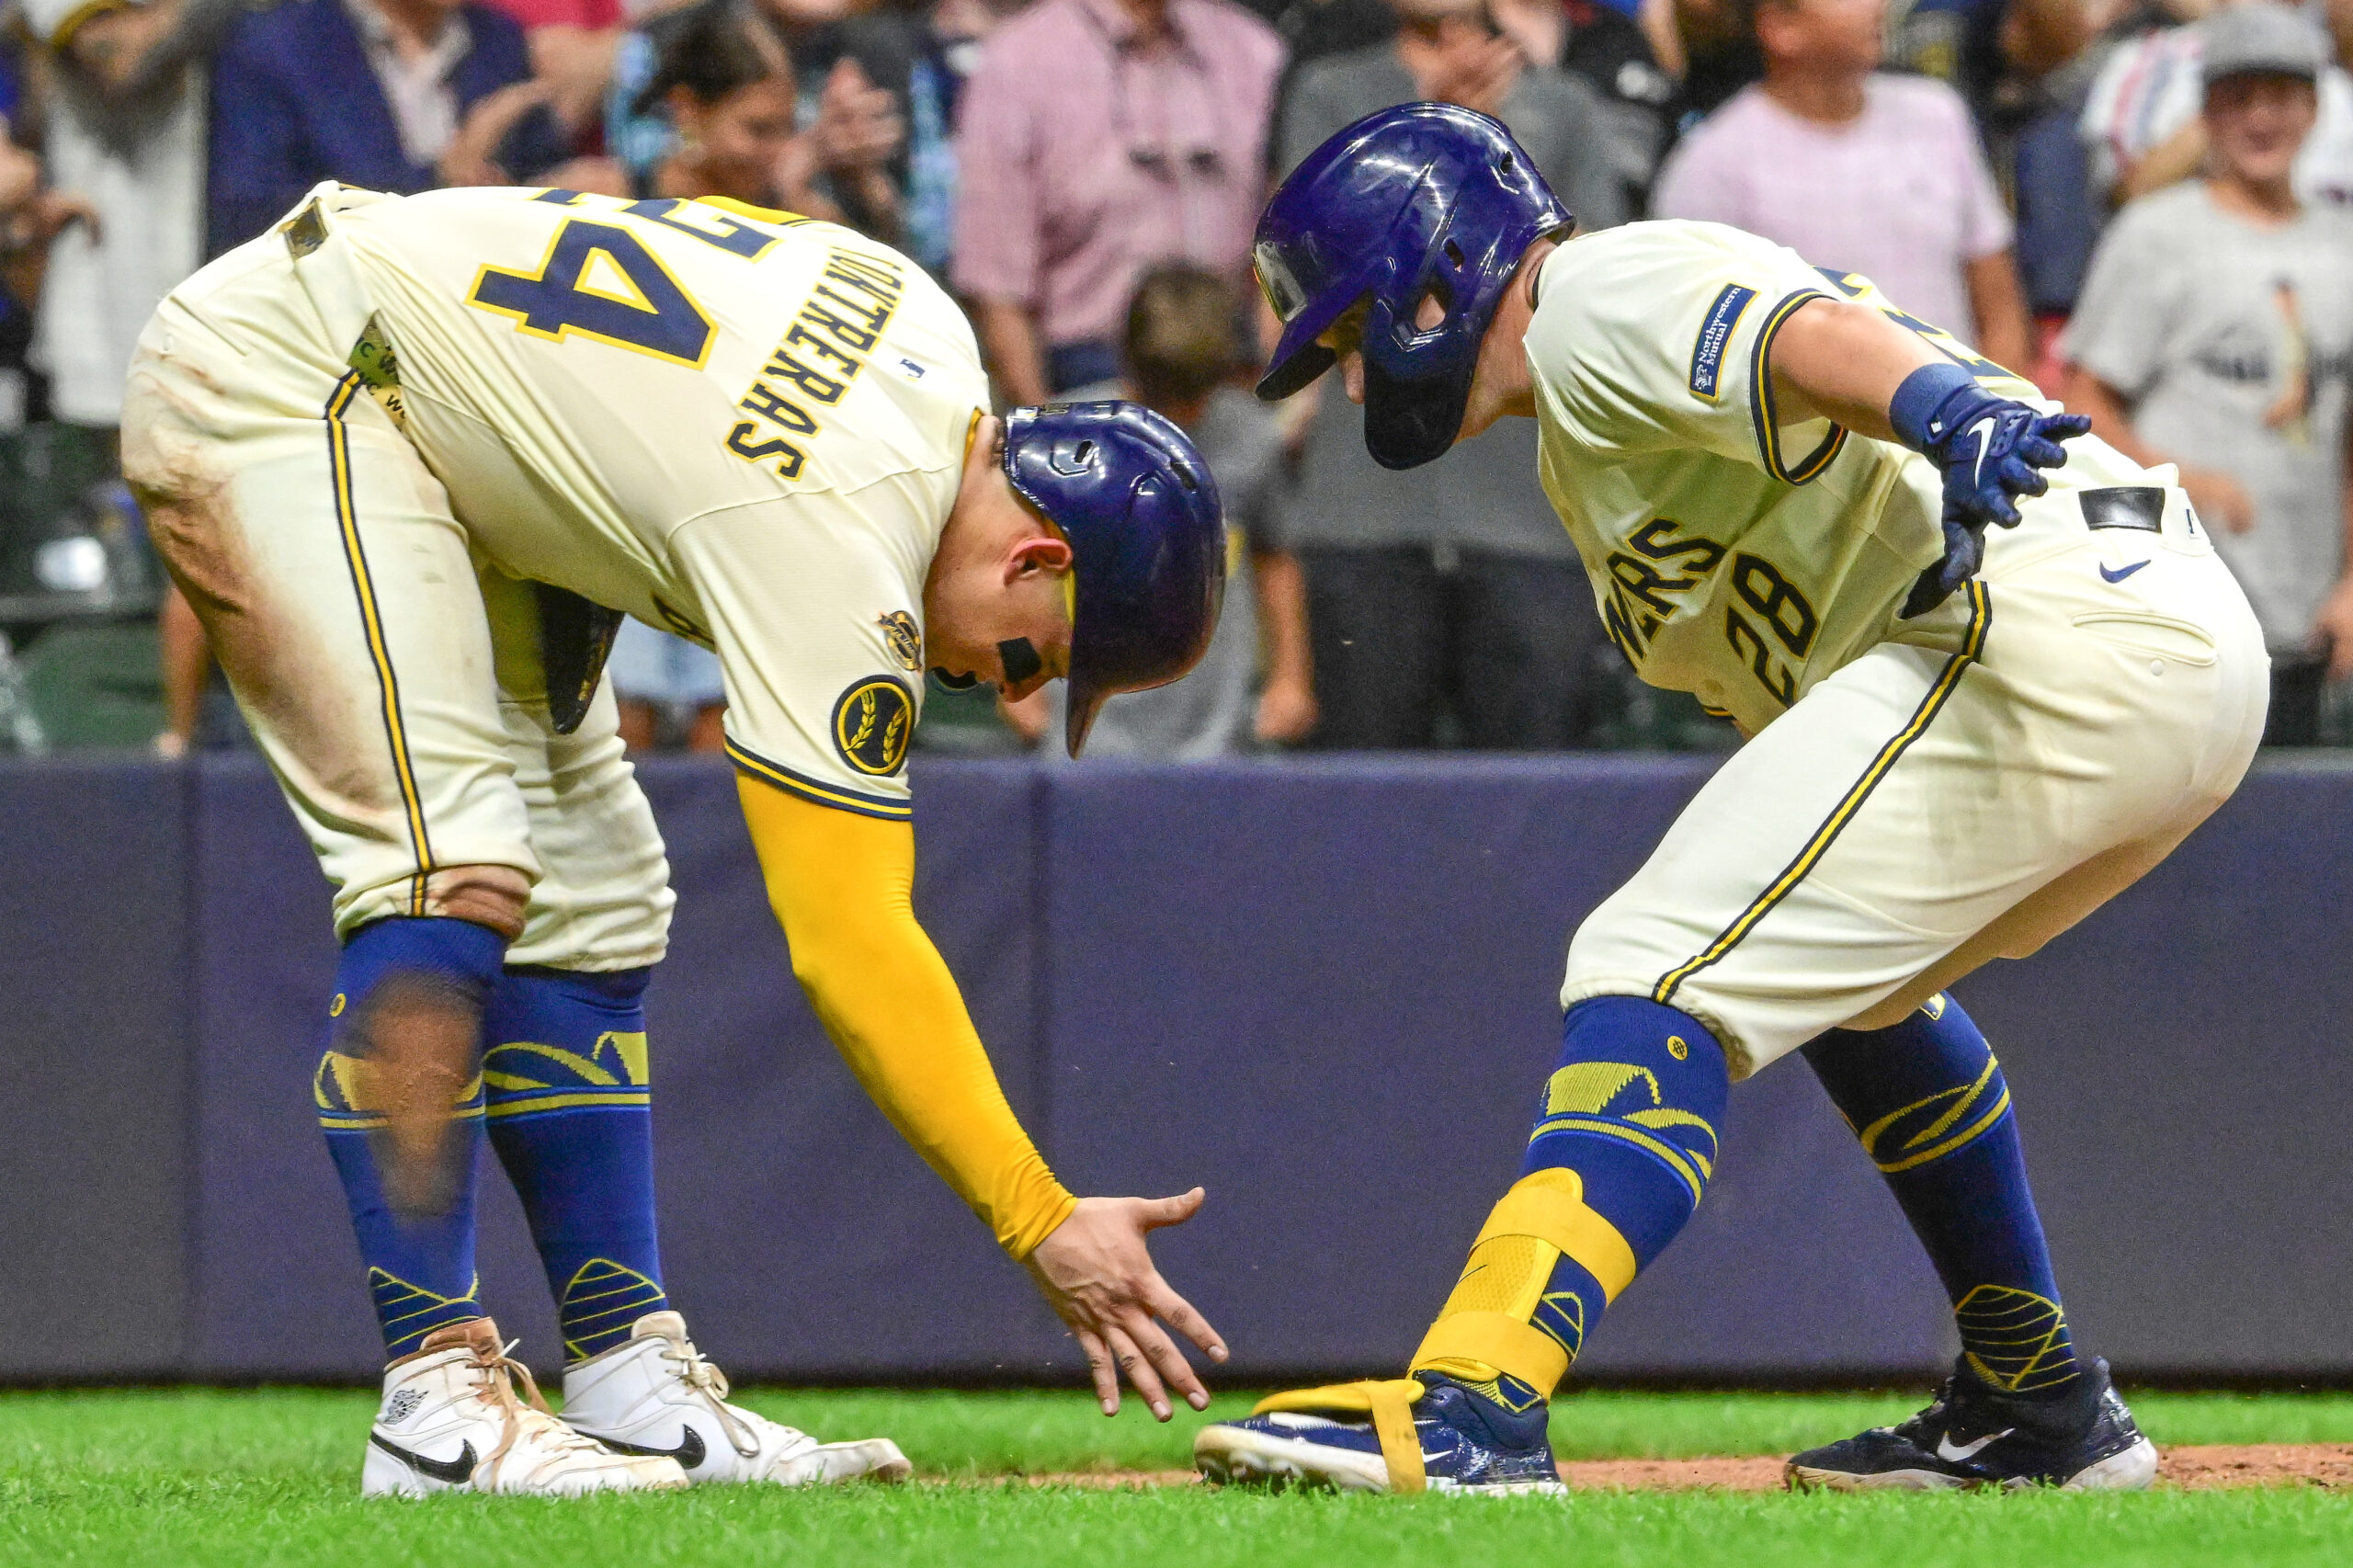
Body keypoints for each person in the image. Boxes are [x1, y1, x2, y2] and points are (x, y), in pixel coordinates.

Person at [1194, 104, 2265, 1494]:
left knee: (1651, 959)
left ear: (1436, 274)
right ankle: (2035, 1402)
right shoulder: (1591, 453)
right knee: (1848, 987)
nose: (1350, 385)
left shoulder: (1585, 293)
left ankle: (1472, 1405)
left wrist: (1950, 406)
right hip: (2140, 643)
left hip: (2042, 620)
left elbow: (1789, 329)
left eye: (1347, 339)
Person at [123, 183, 1230, 1494]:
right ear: (1038, 557)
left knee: (594, 891)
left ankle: (627, 1376)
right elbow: (852, 942)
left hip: (423, 388)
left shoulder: (926, 329)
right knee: (447, 861)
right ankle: (434, 1399)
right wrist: (1040, 1218)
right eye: (1032, 658)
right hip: (299, 372)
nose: (1009, 688)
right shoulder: (845, 535)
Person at [1275, 0, 1625, 750]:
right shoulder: (1329, 93)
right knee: (1361, 801)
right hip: (1363, 507)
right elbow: (1316, 281)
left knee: (1535, 803)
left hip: (1530, 520)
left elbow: (1596, 278)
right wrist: (1435, 138)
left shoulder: (1562, 106)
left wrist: (1483, 159)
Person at [2063, 2, 2353, 744]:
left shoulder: (2342, 244)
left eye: (2282, 96)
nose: (2261, 118)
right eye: (2239, 96)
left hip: (2305, 610)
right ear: (2208, 111)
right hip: (2180, 616)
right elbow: (2082, 403)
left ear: (2315, 107)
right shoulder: (2158, 234)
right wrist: (2177, 476)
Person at [1012, 263, 1315, 756]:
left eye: (1193, 394)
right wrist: (1015, 676)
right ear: (1128, 363)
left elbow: (1275, 559)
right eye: (1162, 393)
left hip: (1217, 730)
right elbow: (1016, 562)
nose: (1177, 415)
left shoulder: (1253, 438)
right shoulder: (1059, 438)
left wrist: (1291, 679)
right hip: (1084, 727)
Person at [1653, 0, 2032, 377]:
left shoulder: (1937, 113)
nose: (1876, 6)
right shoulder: (1710, 165)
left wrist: (1997, 412)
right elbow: (1692, 350)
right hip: (1816, 434)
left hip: (1969, 419)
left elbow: (1999, 306)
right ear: (1779, 28)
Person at [951, 0, 1285, 403]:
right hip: (1091, 379)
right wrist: (1045, 436)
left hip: (1234, 372)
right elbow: (996, 287)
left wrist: (1280, 397)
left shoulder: (1254, 51)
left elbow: (1287, 243)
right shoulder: (1016, 65)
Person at [207, 0, 572, 258]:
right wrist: (438, 177)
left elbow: (537, 168)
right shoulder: (274, 49)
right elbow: (251, 229)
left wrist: (565, 192)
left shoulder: (498, 40)